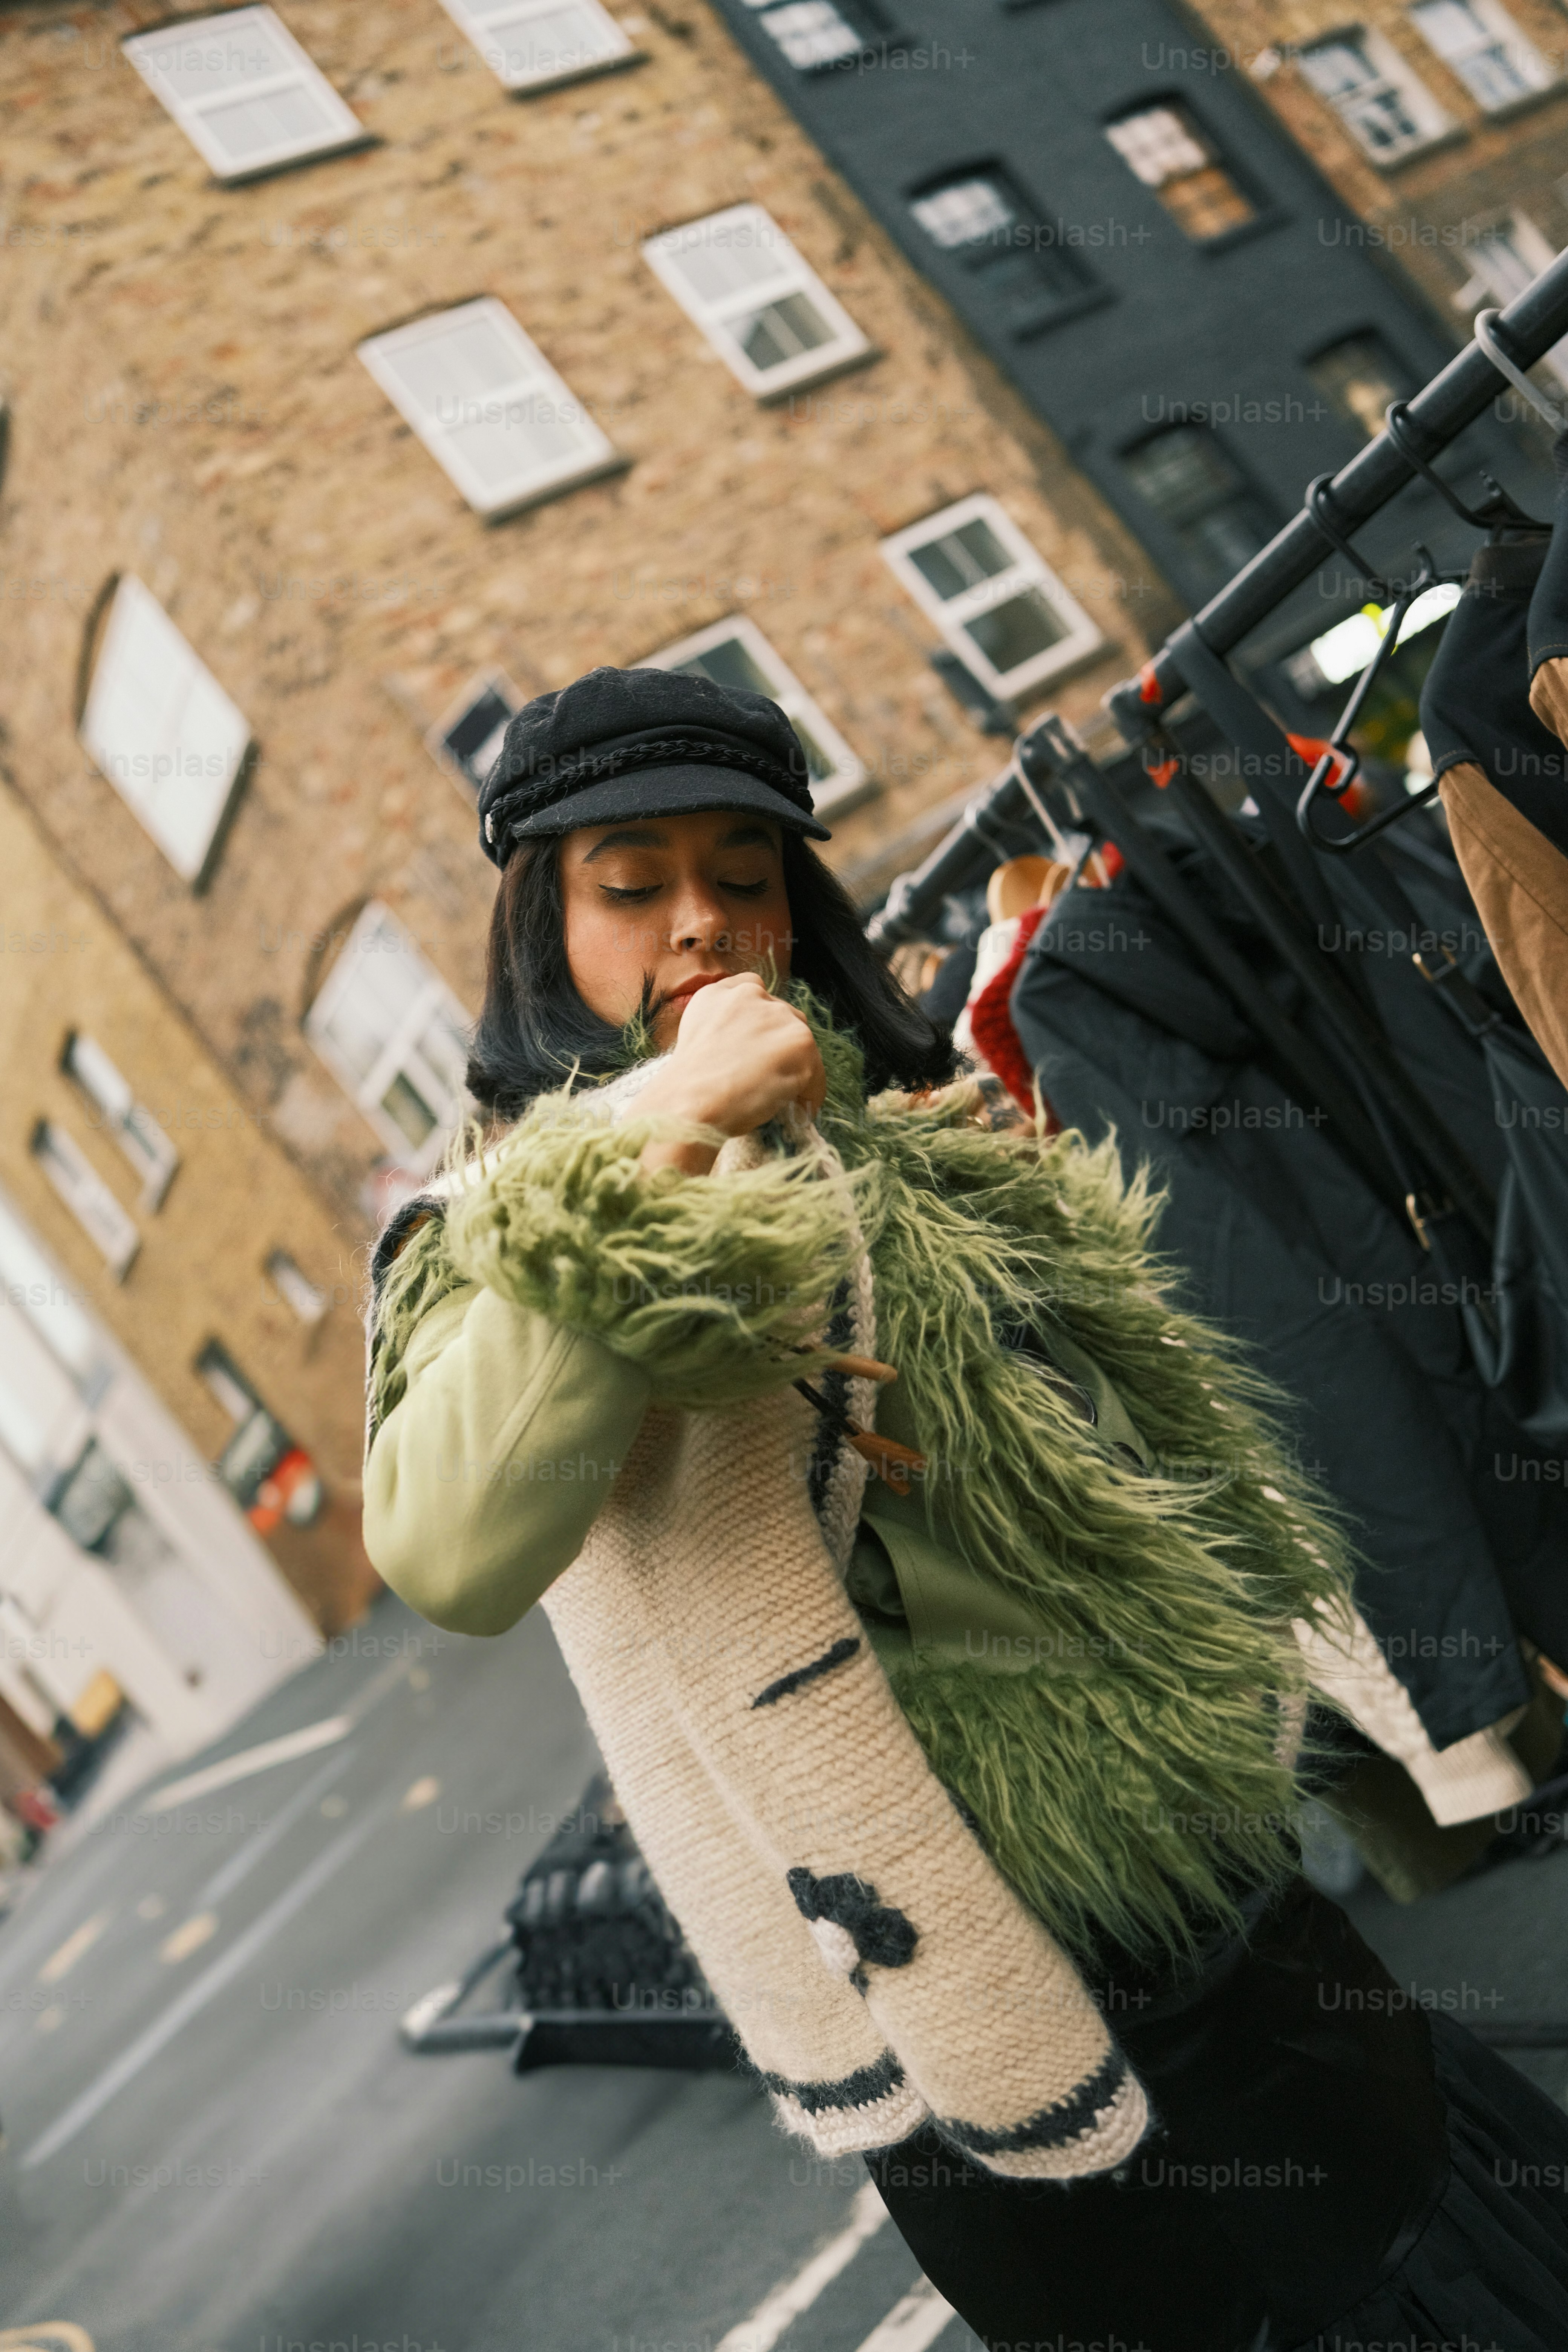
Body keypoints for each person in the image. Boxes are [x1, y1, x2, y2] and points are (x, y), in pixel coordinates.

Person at [363, 665, 1568, 2352]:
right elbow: (450, 1548)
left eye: (743, 873)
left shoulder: (885, 1145)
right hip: (943, 1980)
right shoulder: (482, 1229)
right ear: (535, 927)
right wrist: (659, 1125)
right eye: (629, 885)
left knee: (1451, 2247)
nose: (699, 927)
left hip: (1194, 1889)